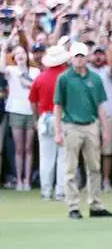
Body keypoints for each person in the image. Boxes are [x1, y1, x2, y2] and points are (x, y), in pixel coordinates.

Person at [53, 42, 112, 219]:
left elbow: (100, 106)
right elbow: (58, 106)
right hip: (71, 125)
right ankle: (73, 206)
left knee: (94, 167)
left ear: (86, 57)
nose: (80, 60)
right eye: (76, 56)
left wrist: (105, 129)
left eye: (82, 56)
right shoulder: (64, 78)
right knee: (70, 168)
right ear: (71, 58)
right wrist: (57, 130)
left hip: (90, 125)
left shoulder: (95, 79)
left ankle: (95, 204)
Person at [30, 45, 70, 200]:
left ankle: (46, 191)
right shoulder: (66, 77)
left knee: (46, 157)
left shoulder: (40, 78)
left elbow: (33, 101)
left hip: (45, 118)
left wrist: (36, 118)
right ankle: (60, 191)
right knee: (62, 157)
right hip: (63, 118)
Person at [1, 41, 39, 191]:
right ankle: (19, 180)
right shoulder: (11, 70)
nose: (20, 56)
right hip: (16, 111)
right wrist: (4, 48)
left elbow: (34, 86)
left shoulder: (35, 71)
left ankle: (27, 180)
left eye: (22, 53)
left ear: (27, 55)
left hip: (30, 112)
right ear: (14, 57)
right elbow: (1, 68)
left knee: (29, 148)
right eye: (17, 54)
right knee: (18, 148)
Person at [87, 45, 112, 191]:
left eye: (101, 54)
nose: (98, 57)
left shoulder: (107, 71)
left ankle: (106, 181)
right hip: (90, 115)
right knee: (89, 151)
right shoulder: (86, 71)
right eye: (95, 54)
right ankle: (91, 181)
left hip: (108, 114)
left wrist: (108, 44)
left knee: (107, 151)